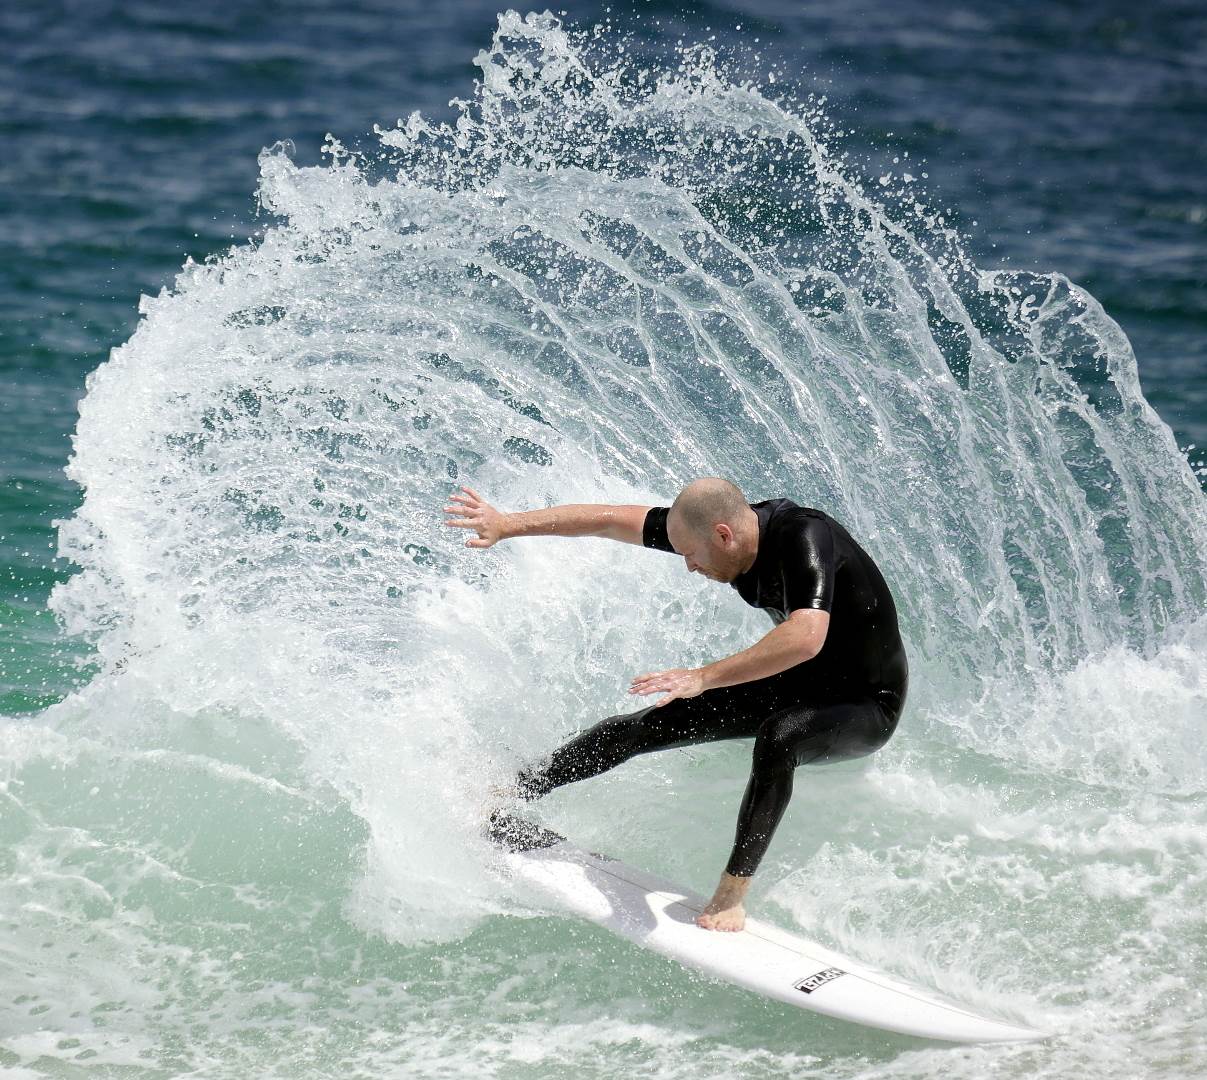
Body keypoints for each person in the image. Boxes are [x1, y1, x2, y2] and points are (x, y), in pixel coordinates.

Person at [443, 477, 908, 932]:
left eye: (691, 554)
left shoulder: (803, 536)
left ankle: (732, 894)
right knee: (640, 726)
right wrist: (507, 525)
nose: (688, 565)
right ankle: (509, 791)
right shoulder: (709, 528)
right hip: (798, 680)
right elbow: (607, 521)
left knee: (780, 737)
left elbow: (806, 636)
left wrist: (702, 677)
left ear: (723, 535)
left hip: (866, 702)